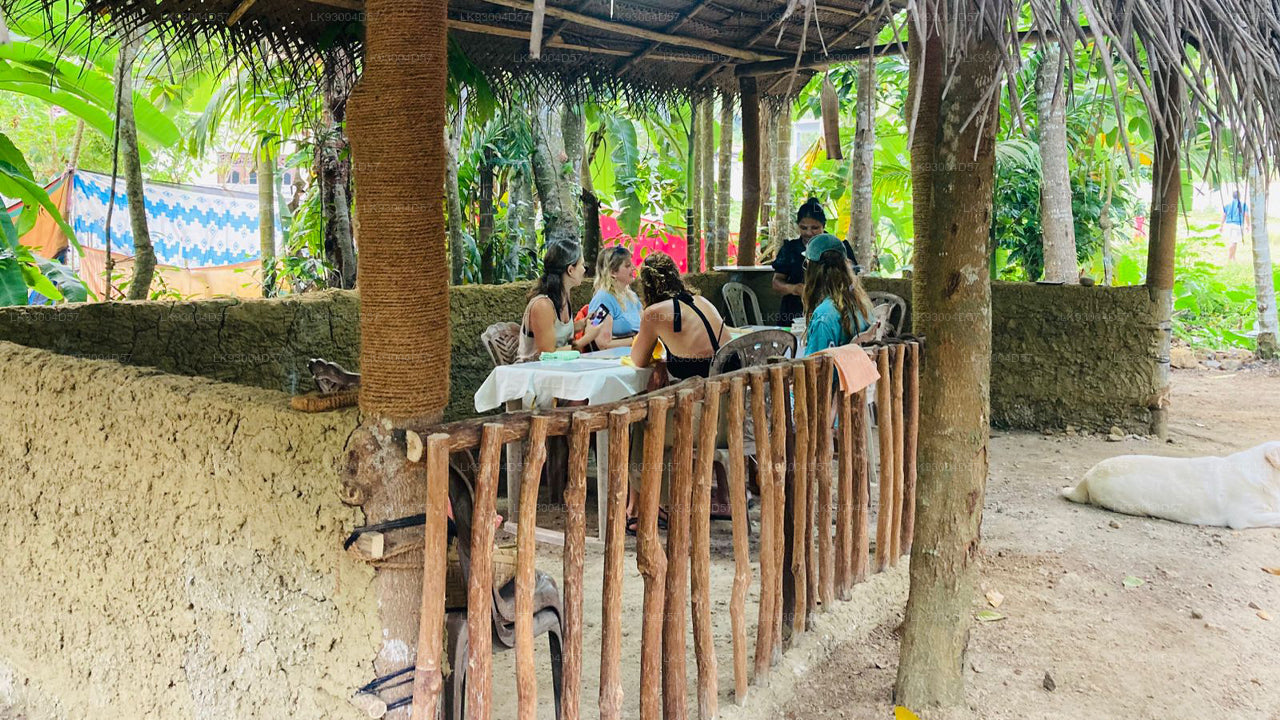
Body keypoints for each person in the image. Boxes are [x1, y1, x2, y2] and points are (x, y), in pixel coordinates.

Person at [631, 251, 735, 381]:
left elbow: (638, 360)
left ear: (646, 286)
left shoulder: (653, 312)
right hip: (734, 368)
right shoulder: (701, 300)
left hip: (704, 377)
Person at [771, 197, 858, 326]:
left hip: (831, 310)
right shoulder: (790, 249)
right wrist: (794, 288)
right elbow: (776, 282)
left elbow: (853, 280)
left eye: (815, 228)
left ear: (824, 226)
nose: (809, 233)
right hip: (794, 314)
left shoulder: (838, 247)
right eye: (803, 228)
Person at [518, 238, 604, 362]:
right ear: (570, 270)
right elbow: (548, 355)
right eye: (582, 265)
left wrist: (582, 324)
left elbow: (556, 331)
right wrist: (586, 339)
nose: (584, 270)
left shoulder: (563, 297)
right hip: (533, 372)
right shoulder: (543, 305)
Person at [801, 234, 874, 355]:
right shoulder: (861, 304)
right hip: (857, 372)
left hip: (834, 374)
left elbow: (813, 368)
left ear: (812, 271)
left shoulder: (824, 316)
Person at [586, 245, 643, 349]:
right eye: (627, 266)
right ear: (613, 272)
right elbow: (603, 344)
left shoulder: (632, 297)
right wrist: (636, 340)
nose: (633, 268)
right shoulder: (602, 300)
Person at [1222, 190, 1249, 262]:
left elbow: (1224, 215)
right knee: (1233, 242)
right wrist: (1248, 225)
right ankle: (1229, 259)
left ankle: (1233, 258)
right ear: (1239, 196)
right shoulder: (1243, 205)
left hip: (1228, 224)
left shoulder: (1228, 205)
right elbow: (1246, 215)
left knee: (1234, 241)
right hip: (1237, 225)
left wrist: (1221, 225)